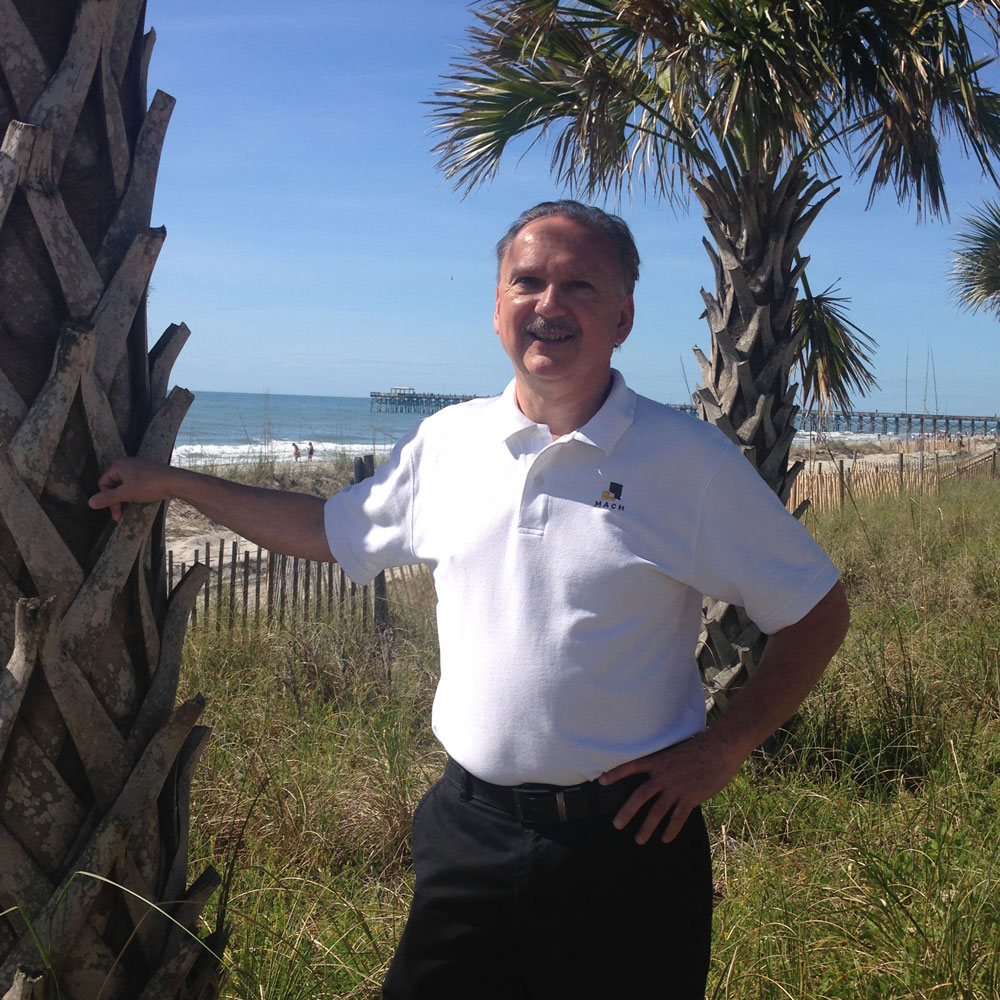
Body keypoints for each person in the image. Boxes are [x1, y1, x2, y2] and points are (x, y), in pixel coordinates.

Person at [90, 201, 849, 999]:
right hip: (469, 833)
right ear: (496, 311)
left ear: (622, 317)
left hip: (629, 845)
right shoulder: (446, 443)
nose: (549, 305)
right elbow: (327, 529)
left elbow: (816, 609)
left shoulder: (687, 460)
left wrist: (722, 750)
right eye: (527, 282)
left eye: (579, 287)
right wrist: (173, 482)